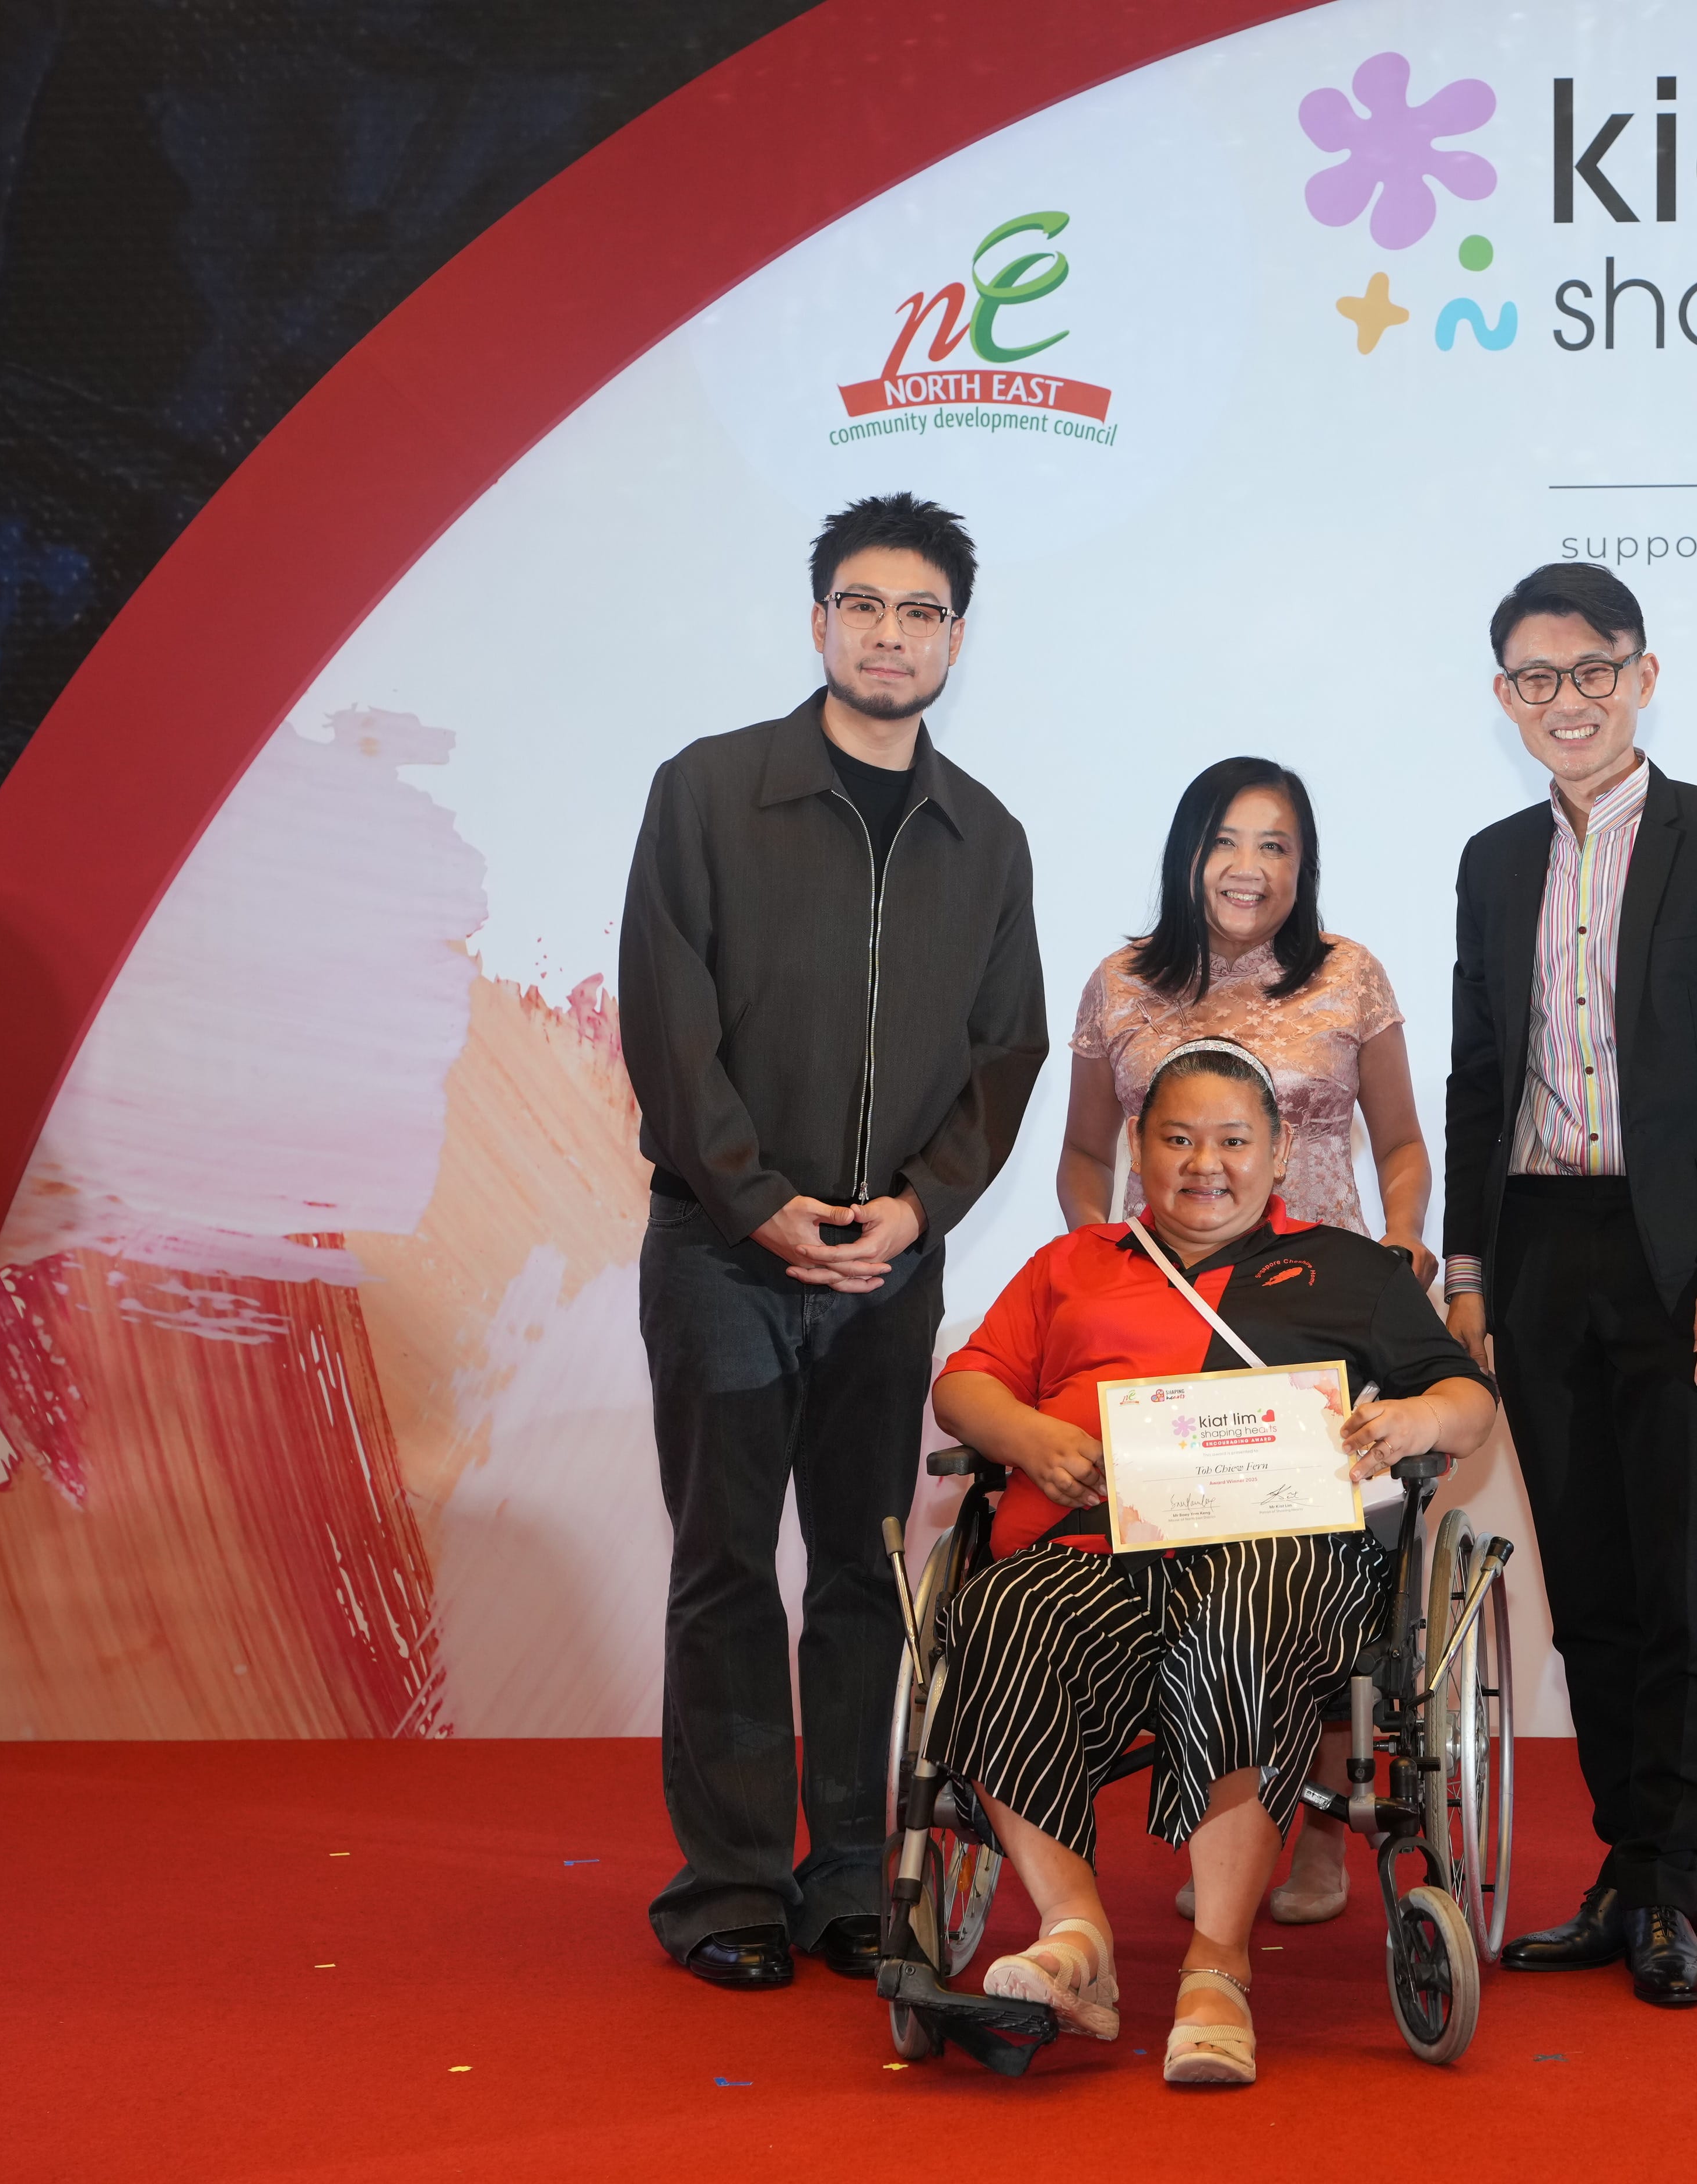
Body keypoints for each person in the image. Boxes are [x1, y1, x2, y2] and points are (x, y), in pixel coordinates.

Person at [617, 494, 1048, 1990]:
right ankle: (730, 1885)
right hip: (726, 1252)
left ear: (956, 641)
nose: (888, 635)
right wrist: (757, 1199)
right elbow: (667, 1024)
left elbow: (1008, 1054)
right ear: (818, 622)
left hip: (890, 1269)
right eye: (862, 606)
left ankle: (852, 1877)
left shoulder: (985, 839)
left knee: (866, 1571)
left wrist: (916, 1211)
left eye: (919, 614)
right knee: (727, 1566)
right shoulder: (711, 793)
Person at [932, 1040, 1495, 2087]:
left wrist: (1415, 1415)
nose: (1206, 1163)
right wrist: (1029, 1439)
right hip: (1097, 1549)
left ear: (1278, 1156)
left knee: (1246, 1608)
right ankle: (1075, 1940)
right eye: (1178, 1138)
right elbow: (964, 1386)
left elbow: (1468, 1404)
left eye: (1234, 1141)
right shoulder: (1075, 1263)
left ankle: (1218, 1967)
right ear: (1139, 1149)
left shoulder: (1348, 1268)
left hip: (1280, 1562)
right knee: (1001, 1611)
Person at [1442, 561, 1697, 2009]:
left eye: (1592, 671)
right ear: (1503, 701)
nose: (1568, 702)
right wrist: (1471, 1270)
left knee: (1680, 1584)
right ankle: (1620, 1867)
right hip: (1538, 1252)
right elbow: (1485, 1074)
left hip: (1686, 1268)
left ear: (1643, 676)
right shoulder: (1490, 860)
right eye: (1536, 680)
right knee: (1588, 1588)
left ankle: (1673, 1886)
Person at [1057, 755, 1433, 1924]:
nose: (1250, 866)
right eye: (1228, 840)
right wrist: (1110, 1266)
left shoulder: (1349, 977)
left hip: (1324, 1310)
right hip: (1171, 1318)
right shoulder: (1121, 984)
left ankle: (1316, 1826)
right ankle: (1222, 1819)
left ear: (1302, 865)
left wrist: (1408, 1246)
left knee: (1314, 1557)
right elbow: (1083, 1159)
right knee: (1196, 1562)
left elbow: (1403, 1144)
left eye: (1277, 845)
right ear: (1186, 852)